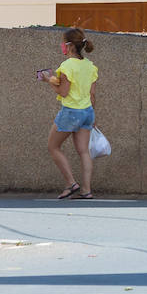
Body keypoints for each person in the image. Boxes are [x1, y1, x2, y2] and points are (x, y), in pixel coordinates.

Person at [40, 27, 99, 199]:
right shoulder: (91, 66)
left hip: (71, 112)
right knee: (84, 152)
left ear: (69, 45)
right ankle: (86, 190)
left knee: (53, 146)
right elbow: (92, 94)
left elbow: (63, 92)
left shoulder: (67, 66)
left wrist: (48, 80)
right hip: (87, 112)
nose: (62, 46)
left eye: (63, 43)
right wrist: (93, 116)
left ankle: (71, 183)